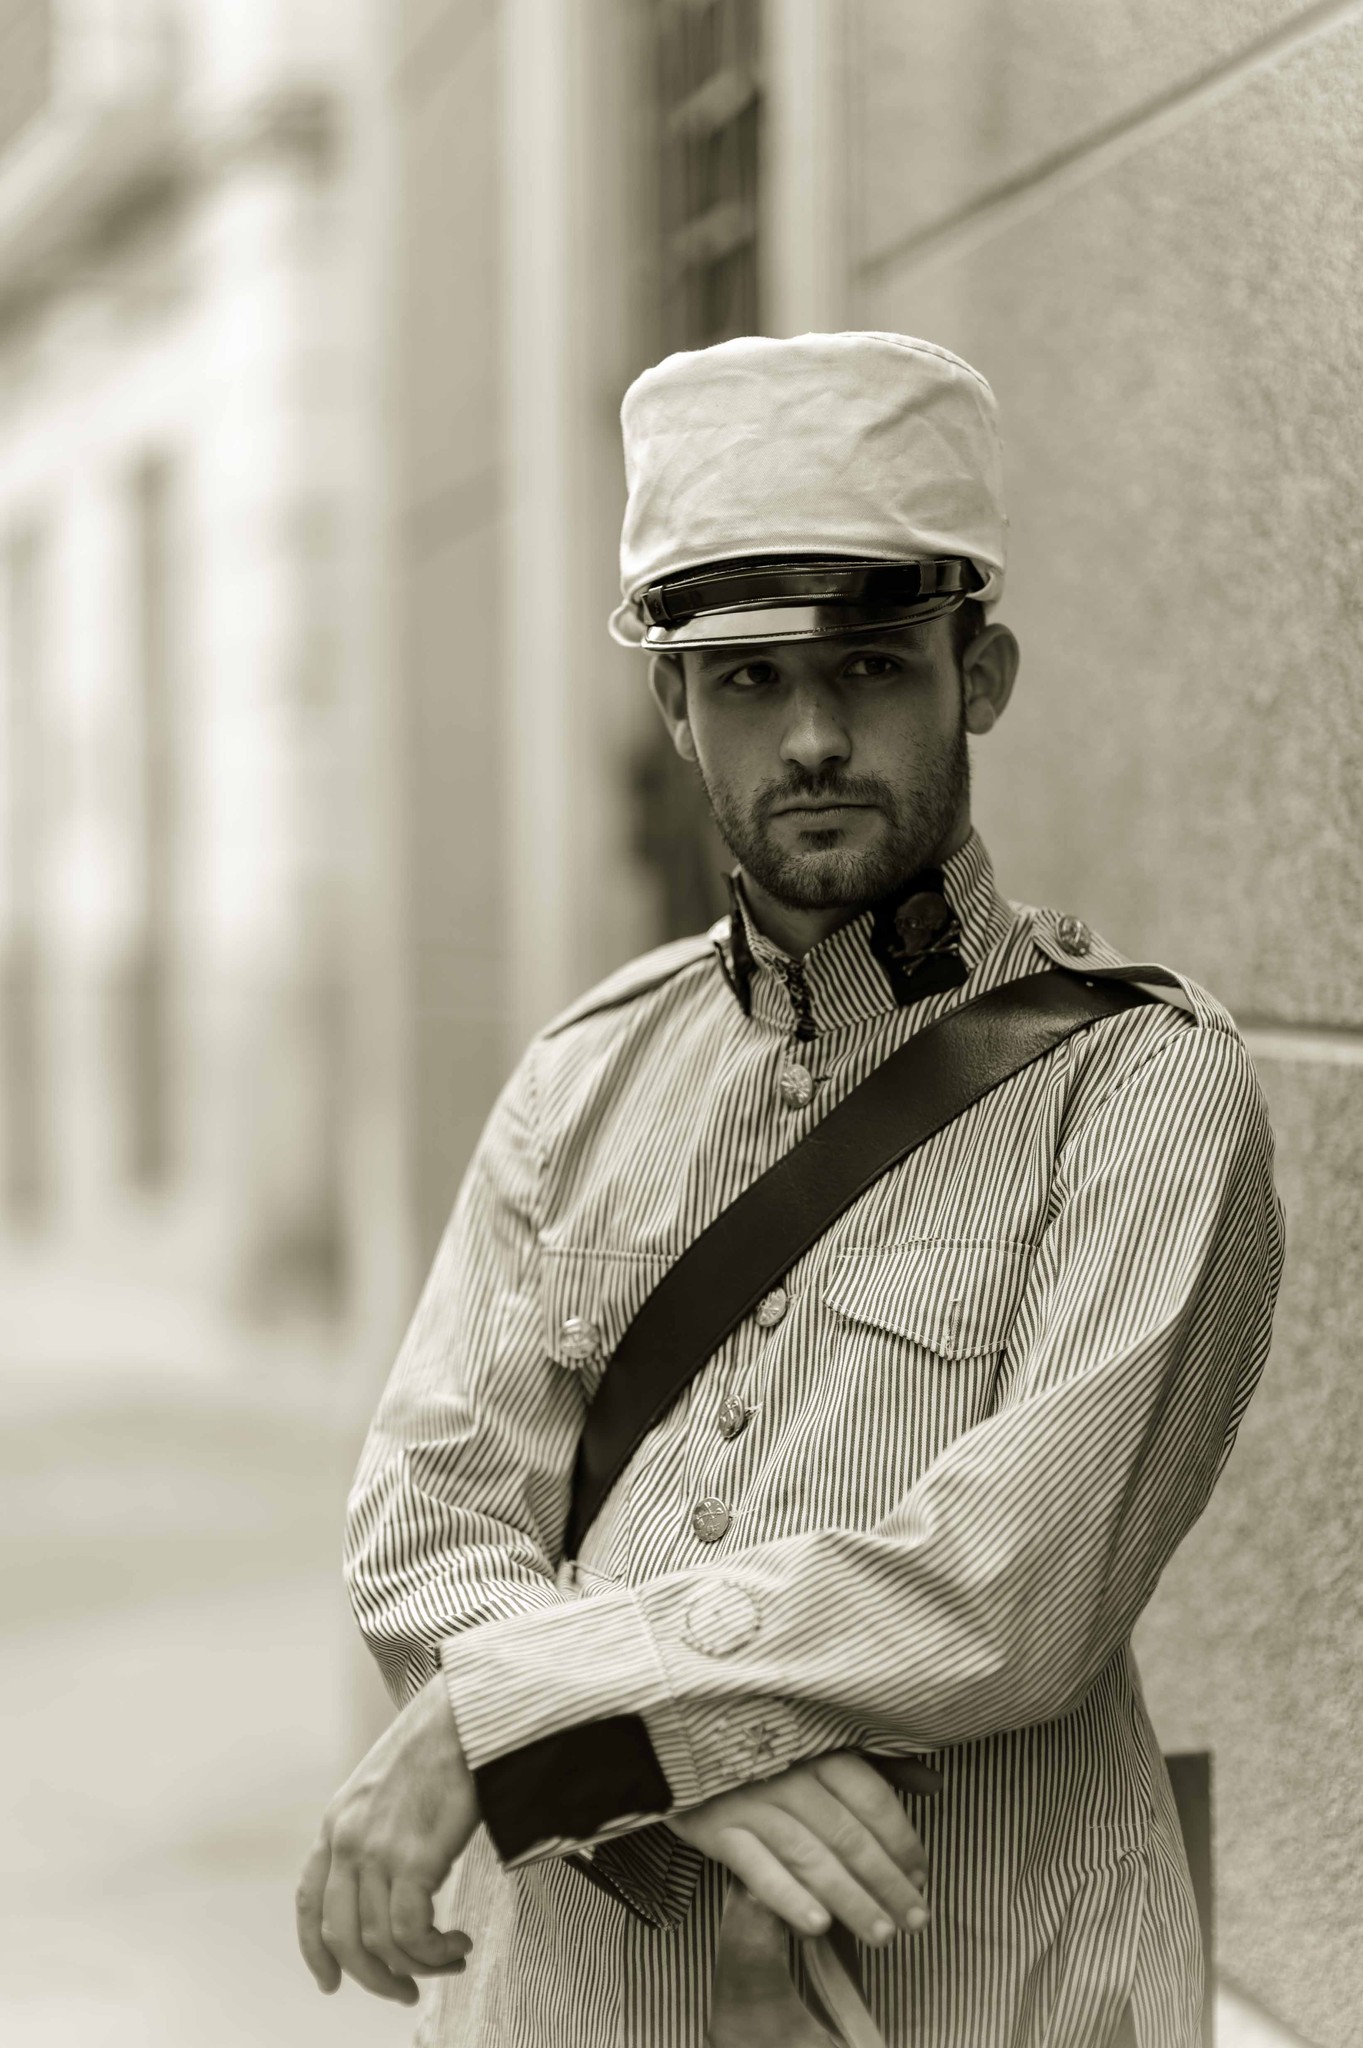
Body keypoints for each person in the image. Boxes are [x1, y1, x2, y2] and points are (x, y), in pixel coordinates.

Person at [295, 332, 1284, 2048]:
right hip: (581, 1998)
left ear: (981, 675)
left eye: (872, 666)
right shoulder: (580, 1079)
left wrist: (499, 1716)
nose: (814, 735)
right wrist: (684, 1763)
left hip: (987, 1990)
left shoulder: (1143, 1088)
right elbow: (427, 1533)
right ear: (675, 708)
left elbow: (1007, 1590)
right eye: (749, 677)